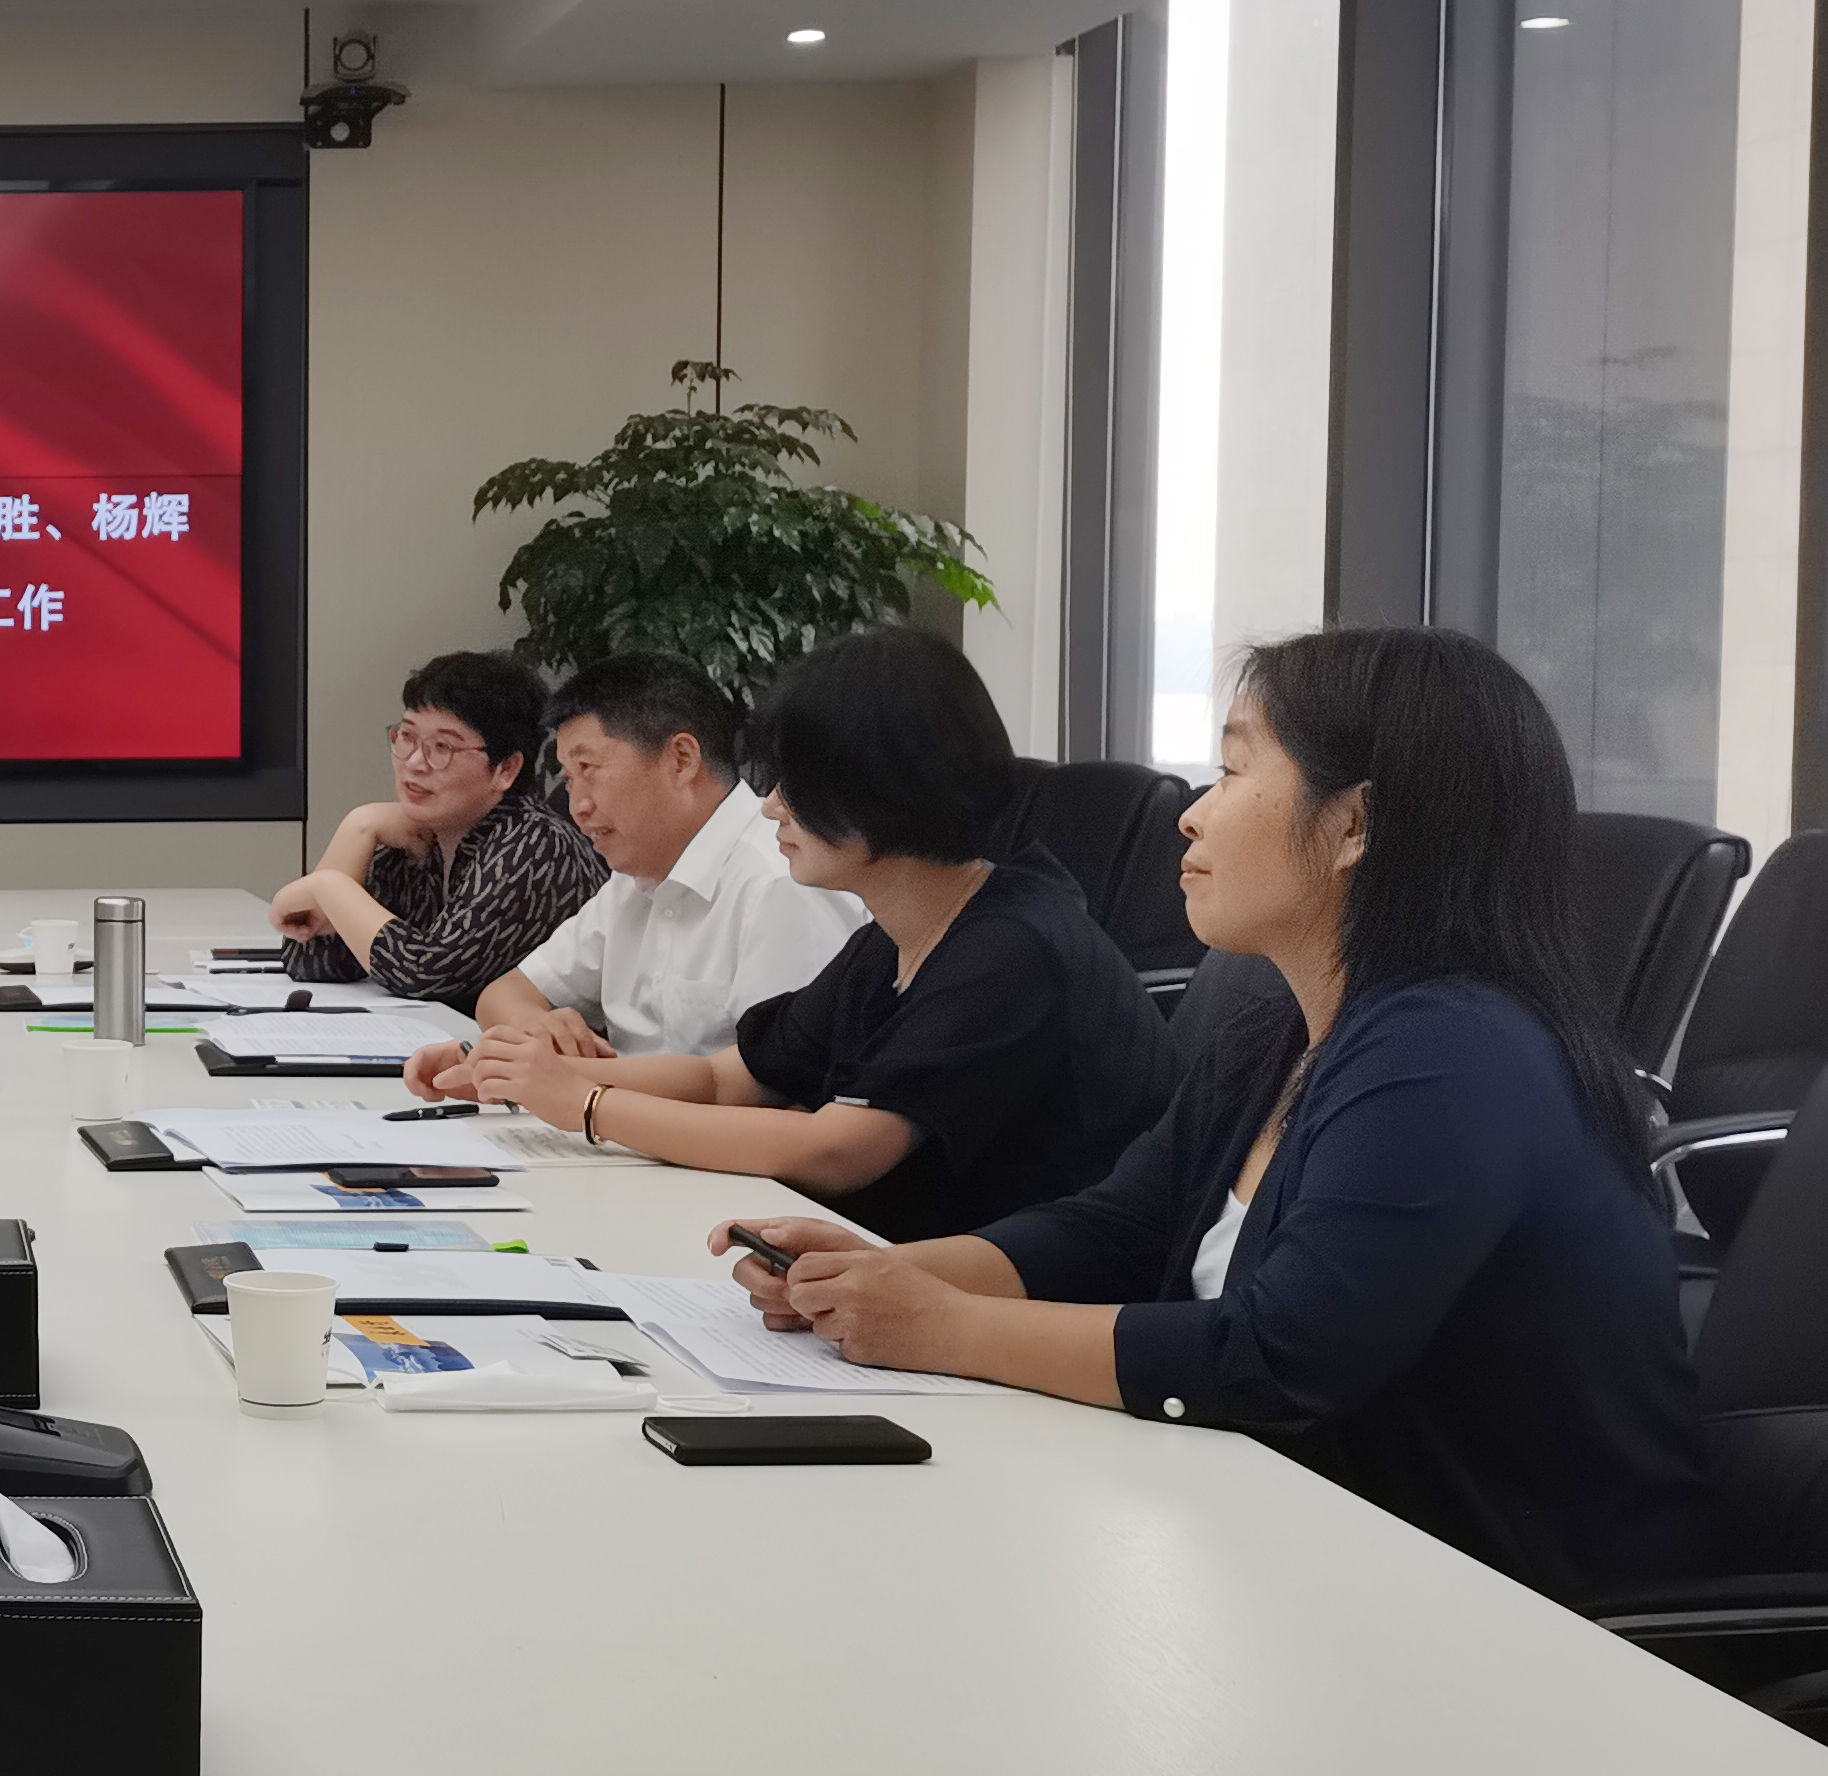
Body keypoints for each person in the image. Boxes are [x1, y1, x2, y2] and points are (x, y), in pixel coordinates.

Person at [725, 628, 1711, 1600]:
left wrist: (938, 1326)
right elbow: (1118, 1228)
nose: (1193, 815)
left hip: (1503, 1606)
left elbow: (1274, 1357)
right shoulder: (1281, 1025)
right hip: (1287, 1540)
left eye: (1233, 772)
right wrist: (884, 1275)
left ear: (1355, 825)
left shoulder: (1451, 1050)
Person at [463, 625, 1169, 1240]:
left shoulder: (1010, 947)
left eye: (793, 784)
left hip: (1027, 1298)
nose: (770, 807)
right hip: (898, 1261)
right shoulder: (893, 938)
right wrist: (521, 1073)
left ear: (879, 788)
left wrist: (589, 1106)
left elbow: (837, 1150)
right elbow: (728, 1080)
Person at [404, 653, 862, 1094]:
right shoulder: (636, 874)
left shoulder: (782, 881)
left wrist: (555, 1076)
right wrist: (533, 1028)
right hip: (614, 1123)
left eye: (589, 769)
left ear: (681, 760)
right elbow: (506, 993)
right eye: (569, 779)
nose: (577, 807)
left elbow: (770, 1087)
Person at [269, 651, 607, 1011]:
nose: (414, 762)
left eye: (442, 747)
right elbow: (313, 960)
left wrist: (329, 885)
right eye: (407, 737)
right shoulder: (419, 837)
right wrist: (358, 829)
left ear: (505, 769)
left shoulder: (535, 845)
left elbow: (425, 973)